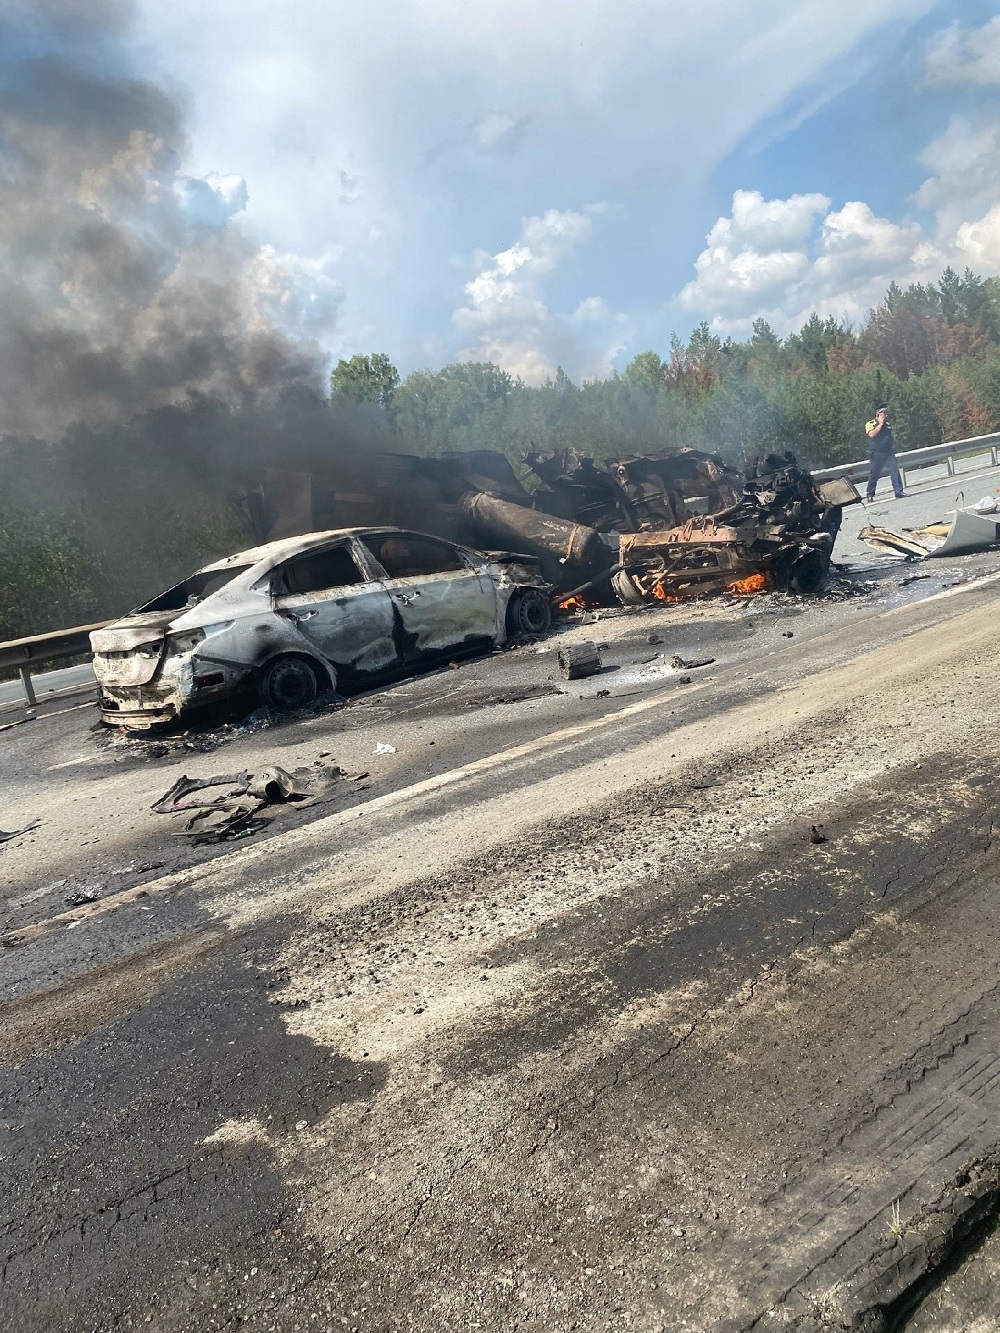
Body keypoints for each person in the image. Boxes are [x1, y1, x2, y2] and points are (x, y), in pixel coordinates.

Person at [865, 405, 904, 501]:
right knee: (874, 474)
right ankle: (870, 494)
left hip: (888, 452)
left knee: (894, 470)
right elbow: (872, 434)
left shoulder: (888, 424)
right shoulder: (870, 423)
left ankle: (898, 491)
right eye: (884, 413)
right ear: (878, 414)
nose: (886, 415)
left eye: (886, 413)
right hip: (876, 453)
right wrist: (880, 424)